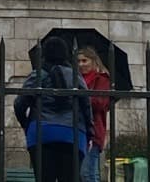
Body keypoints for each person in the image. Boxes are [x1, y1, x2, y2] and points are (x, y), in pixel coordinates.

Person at [14, 36, 93, 182]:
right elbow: (86, 105)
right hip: (72, 133)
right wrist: (89, 131)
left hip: (41, 132)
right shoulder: (75, 76)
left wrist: (26, 125)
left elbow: (19, 104)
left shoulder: (37, 75)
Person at [77, 48, 110, 182]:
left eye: (84, 60)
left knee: (88, 173)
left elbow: (100, 103)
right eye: (78, 61)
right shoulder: (75, 78)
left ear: (93, 61)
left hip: (93, 131)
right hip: (76, 129)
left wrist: (81, 97)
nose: (81, 64)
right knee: (79, 174)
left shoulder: (102, 79)